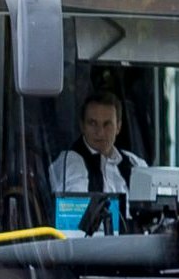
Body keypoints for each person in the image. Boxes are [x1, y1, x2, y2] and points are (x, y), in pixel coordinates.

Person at [46, 91, 149, 232]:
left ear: (118, 127)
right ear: (82, 125)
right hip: (90, 250)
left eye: (107, 124)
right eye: (92, 123)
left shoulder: (135, 163)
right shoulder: (70, 161)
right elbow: (75, 218)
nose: (100, 132)